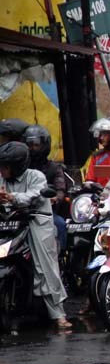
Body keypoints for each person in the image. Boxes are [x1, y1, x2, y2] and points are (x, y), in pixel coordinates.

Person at [0, 141, 71, 329]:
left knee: (44, 266)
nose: (2, 170)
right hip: (9, 222)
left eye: (5, 166)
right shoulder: (1, 178)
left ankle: (58, 314)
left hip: (36, 221)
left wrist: (13, 197)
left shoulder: (36, 176)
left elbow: (36, 195)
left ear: (17, 165)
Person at [22, 125, 67, 251]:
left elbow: (60, 190)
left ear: (45, 145)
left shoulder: (54, 168)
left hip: (45, 212)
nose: (32, 148)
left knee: (60, 224)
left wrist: (54, 199)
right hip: (22, 213)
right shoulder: (21, 168)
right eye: (29, 144)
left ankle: (59, 259)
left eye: (36, 144)